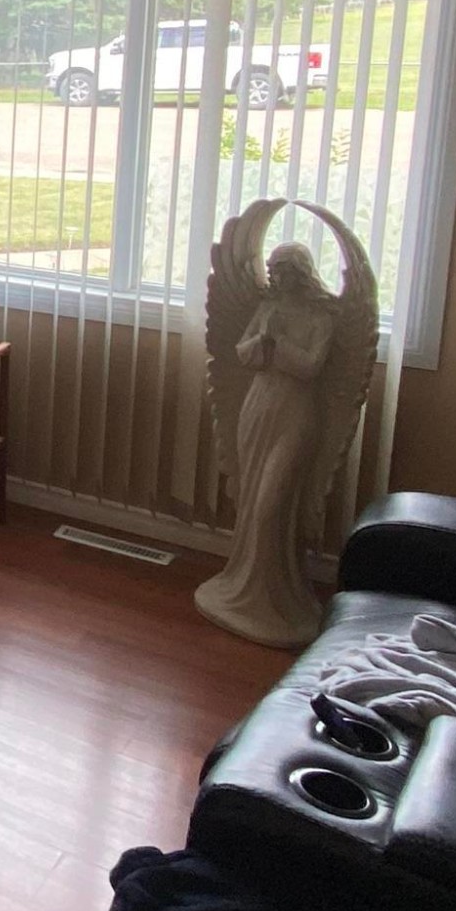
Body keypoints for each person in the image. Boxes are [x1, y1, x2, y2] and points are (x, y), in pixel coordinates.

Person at [195, 241, 339, 645]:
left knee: (271, 504)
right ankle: (247, 586)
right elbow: (243, 354)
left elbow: (311, 367)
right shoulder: (267, 309)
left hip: (295, 414)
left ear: (300, 271)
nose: (274, 276)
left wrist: (278, 343)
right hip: (258, 407)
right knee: (252, 496)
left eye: (281, 269)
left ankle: (278, 598)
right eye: (272, 269)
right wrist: (263, 340)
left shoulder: (320, 316)